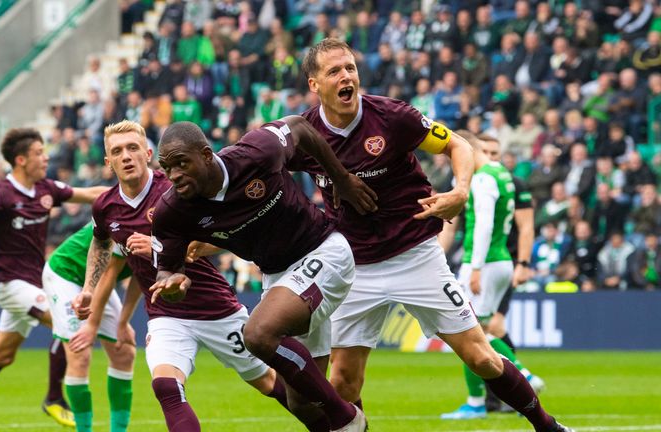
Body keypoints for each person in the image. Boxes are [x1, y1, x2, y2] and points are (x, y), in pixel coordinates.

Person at [296, 38, 572, 431]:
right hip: (354, 265)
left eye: (351, 68)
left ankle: (548, 426)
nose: (346, 77)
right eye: (334, 71)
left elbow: (458, 145)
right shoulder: (303, 134)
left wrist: (460, 191)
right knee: (343, 382)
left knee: (481, 357)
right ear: (314, 84)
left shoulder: (392, 117)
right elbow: (262, 173)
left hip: (415, 255)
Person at [67, 120, 300, 432]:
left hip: (215, 308)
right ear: (108, 161)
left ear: (148, 153)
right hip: (166, 315)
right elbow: (100, 242)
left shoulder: (179, 189)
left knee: (268, 382)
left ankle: (333, 422)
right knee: (166, 386)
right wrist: (87, 288)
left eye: (133, 148)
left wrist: (161, 247)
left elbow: (223, 235)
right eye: (117, 151)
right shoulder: (106, 207)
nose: (126, 156)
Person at [149, 116, 377, 431]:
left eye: (181, 163)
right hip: (278, 276)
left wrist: (340, 178)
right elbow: (168, 270)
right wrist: (172, 284)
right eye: (166, 167)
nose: (173, 175)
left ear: (205, 154)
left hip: (324, 251)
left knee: (258, 333)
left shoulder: (257, 151)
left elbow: (300, 127)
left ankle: (348, 420)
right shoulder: (171, 212)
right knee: (300, 402)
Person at [0, 128, 109, 432]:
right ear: (21, 160)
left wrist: (130, 193)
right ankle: (54, 397)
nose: (46, 157)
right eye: (39, 153)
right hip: (10, 285)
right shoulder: (1, 193)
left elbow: (90, 194)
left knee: (2, 355)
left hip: (35, 283)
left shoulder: (46, 189)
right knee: (67, 322)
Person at [438, 131, 545, 419]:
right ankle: (520, 377)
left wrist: (473, 267)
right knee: (481, 331)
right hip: (499, 261)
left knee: (468, 331)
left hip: (485, 262)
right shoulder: (501, 173)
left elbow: (483, 226)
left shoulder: (483, 178)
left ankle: (480, 400)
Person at [42, 223, 136, 432]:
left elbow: (142, 276)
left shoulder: (166, 225)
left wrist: (123, 322)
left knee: (125, 352)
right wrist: (91, 326)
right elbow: (108, 274)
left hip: (97, 281)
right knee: (80, 352)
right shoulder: (131, 219)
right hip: (66, 274)